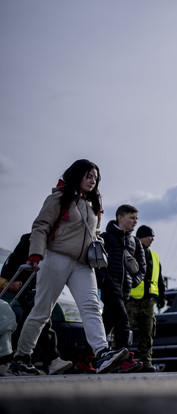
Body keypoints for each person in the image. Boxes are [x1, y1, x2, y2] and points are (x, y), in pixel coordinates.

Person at [9, 159, 129, 375]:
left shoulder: (94, 203)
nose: (93, 181)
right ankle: (21, 358)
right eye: (89, 176)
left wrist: (98, 244)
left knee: (92, 306)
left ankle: (102, 354)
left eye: (96, 177)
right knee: (42, 311)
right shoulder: (58, 198)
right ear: (77, 175)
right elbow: (40, 226)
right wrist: (36, 255)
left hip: (83, 263)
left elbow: (95, 232)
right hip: (56, 257)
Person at [0, 233, 73, 375]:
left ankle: (14, 359)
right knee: (41, 315)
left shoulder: (60, 243)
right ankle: (53, 359)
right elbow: (11, 264)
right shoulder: (29, 239)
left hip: (43, 287)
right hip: (27, 287)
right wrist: (8, 283)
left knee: (28, 322)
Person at [97, 204, 146, 373]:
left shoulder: (135, 242)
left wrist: (134, 281)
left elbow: (142, 268)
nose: (135, 222)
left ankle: (87, 359)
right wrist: (103, 279)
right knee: (123, 323)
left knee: (106, 324)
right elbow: (96, 263)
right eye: (131, 218)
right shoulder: (105, 237)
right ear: (120, 217)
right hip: (110, 289)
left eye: (136, 219)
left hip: (125, 291)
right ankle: (126, 361)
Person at [126, 225, 166, 373]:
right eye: (150, 236)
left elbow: (159, 278)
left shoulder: (154, 256)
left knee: (147, 332)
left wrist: (162, 296)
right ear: (141, 237)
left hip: (149, 301)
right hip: (132, 299)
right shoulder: (132, 251)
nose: (152, 239)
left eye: (153, 236)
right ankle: (122, 361)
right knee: (124, 331)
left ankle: (145, 362)